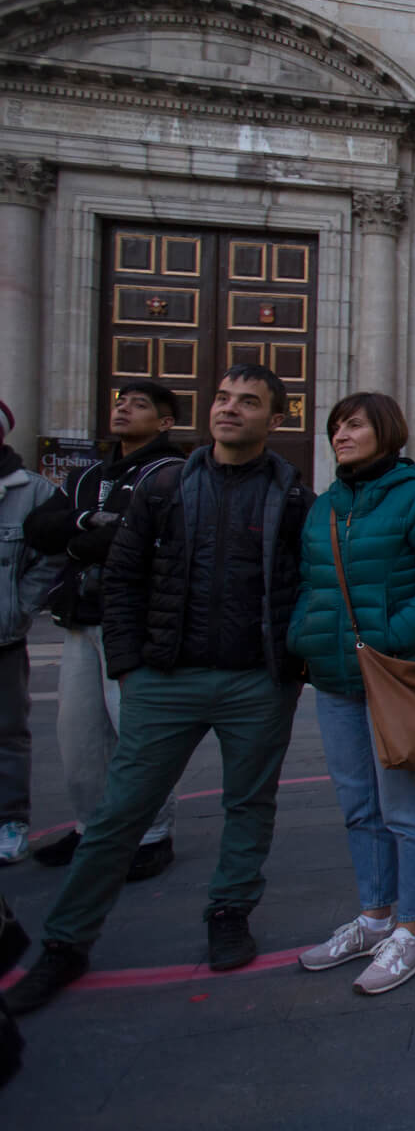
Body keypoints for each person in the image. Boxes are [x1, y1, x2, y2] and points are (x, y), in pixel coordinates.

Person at [4, 367, 311, 1013]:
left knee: (249, 806)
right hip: (164, 680)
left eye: (248, 402)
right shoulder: (166, 486)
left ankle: (229, 910)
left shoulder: (293, 498)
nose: (229, 410)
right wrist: (130, 669)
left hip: (257, 681)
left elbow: (305, 585)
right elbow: (122, 577)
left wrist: (293, 666)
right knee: (120, 814)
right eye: (223, 399)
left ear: (274, 420)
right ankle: (65, 941)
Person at [289, 393, 415, 996]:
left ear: (386, 432)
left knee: (406, 812)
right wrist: (303, 639)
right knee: (359, 808)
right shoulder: (325, 506)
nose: (340, 434)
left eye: (354, 424)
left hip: (392, 677)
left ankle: (412, 931)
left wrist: (393, 636)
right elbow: (307, 581)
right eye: (335, 425)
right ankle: (374, 917)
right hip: (333, 679)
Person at [23, 382, 186, 876]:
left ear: (163, 422)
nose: (123, 409)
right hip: (80, 617)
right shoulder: (85, 475)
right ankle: (90, 828)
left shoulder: (170, 473)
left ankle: (152, 835)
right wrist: (87, 524)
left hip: (134, 620)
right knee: (80, 736)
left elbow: (139, 539)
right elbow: (39, 528)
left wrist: (77, 536)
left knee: (136, 734)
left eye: (138, 405)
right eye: (120, 402)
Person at [0, 399, 59, 867]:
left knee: (8, 732)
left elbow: (52, 555)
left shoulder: (33, 492)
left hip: (4, 637)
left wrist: (19, 608)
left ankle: (9, 820)